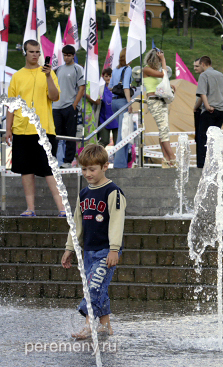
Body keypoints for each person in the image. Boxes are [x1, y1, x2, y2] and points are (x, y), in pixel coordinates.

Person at [61, 144, 126, 340]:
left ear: (105, 166)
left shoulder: (113, 191)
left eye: (92, 169)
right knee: (98, 287)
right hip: (88, 251)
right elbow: (77, 223)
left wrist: (114, 249)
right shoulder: (83, 194)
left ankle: (89, 325)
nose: (87, 173)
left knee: (93, 287)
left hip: (106, 251)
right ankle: (105, 325)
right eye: (84, 169)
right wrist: (69, 248)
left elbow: (117, 221)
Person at [6, 39, 65, 217]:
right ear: (25, 53)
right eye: (31, 51)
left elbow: (55, 97)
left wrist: (47, 76)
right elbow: (11, 106)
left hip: (44, 129)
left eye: (38, 52)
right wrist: (8, 129)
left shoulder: (48, 73)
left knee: (49, 169)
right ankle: (30, 208)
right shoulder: (17, 76)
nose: (35, 55)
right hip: (22, 129)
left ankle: (62, 209)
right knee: (26, 170)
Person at [195, 55, 223, 168]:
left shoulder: (204, 75)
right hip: (221, 111)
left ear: (203, 64)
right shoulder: (221, 75)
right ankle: (215, 162)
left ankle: (202, 164)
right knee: (216, 137)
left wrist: (207, 106)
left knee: (203, 136)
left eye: (198, 65)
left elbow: (202, 93)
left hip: (210, 111)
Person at [52, 45, 85, 168]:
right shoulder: (59, 69)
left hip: (70, 106)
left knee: (70, 134)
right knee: (55, 134)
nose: (66, 57)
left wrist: (74, 105)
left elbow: (82, 87)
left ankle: (68, 160)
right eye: (65, 55)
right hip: (57, 106)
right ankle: (53, 159)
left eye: (69, 55)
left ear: (73, 55)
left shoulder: (78, 69)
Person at [143, 48, 177, 168]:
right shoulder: (146, 69)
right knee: (163, 129)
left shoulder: (152, 71)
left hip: (160, 101)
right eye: (158, 61)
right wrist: (163, 60)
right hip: (154, 101)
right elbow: (164, 73)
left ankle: (166, 159)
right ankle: (172, 157)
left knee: (164, 130)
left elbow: (162, 79)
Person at [109, 48, 133, 169]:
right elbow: (126, 87)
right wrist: (130, 103)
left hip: (114, 101)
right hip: (123, 101)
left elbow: (110, 87)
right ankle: (119, 163)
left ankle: (122, 162)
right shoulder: (128, 69)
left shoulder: (115, 69)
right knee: (122, 134)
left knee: (121, 132)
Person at [97, 68, 117, 147]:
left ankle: (118, 159)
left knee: (118, 142)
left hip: (116, 119)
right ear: (103, 77)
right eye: (106, 76)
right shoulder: (100, 88)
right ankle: (98, 158)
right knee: (103, 141)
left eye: (110, 76)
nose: (108, 78)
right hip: (103, 119)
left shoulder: (117, 88)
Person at [193, 57, 205, 143]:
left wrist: (195, 107)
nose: (194, 68)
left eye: (197, 66)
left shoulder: (203, 77)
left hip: (201, 109)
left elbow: (202, 95)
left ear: (203, 65)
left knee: (200, 137)